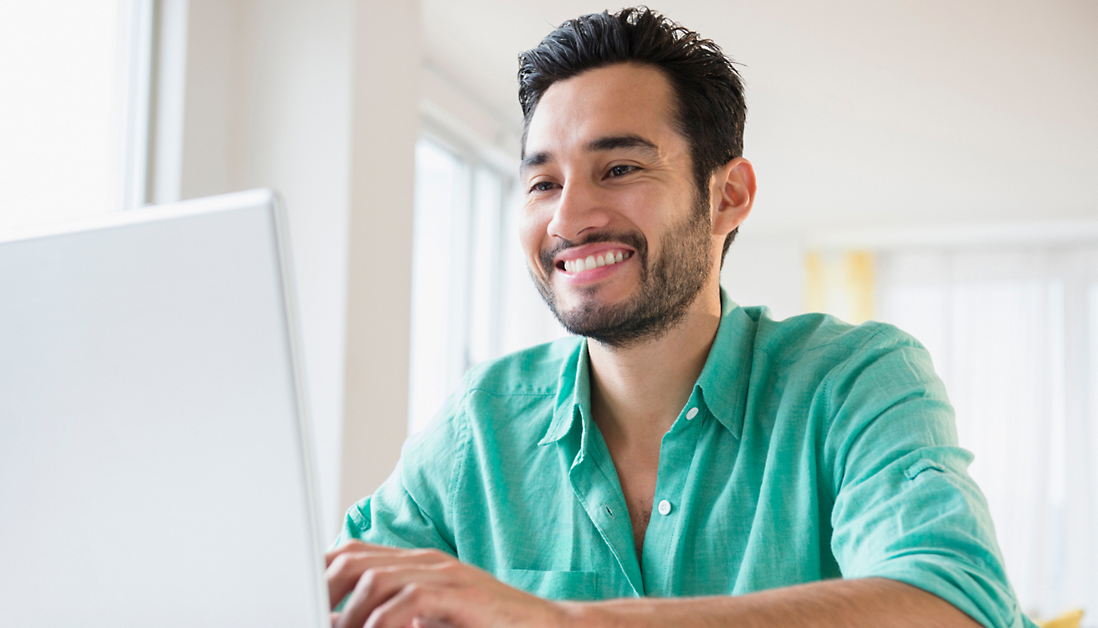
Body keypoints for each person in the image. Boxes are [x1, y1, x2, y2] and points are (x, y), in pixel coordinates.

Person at [325, 8, 1035, 628]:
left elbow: (952, 606)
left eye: (621, 168)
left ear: (728, 195)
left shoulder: (854, 382)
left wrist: (558, 621)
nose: (567, 218)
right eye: (543, 183)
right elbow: (326, 595)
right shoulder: (476, 428)